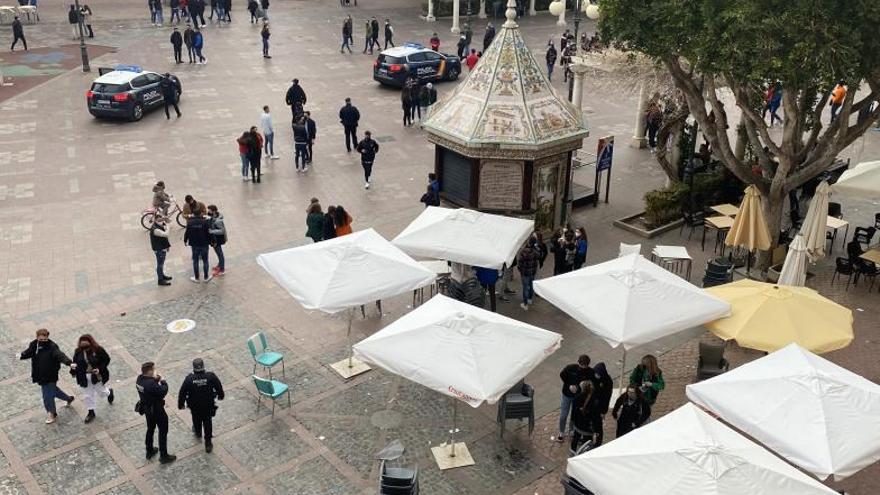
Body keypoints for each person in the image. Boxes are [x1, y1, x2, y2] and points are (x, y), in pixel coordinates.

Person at [19, 328, 75, 424]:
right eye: (41, 340)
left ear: (47, 337)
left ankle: (51, 413)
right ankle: (68, 398)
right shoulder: (34, 344)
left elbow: (60, 355)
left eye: (45, 339)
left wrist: (69, 363)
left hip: (50, 375)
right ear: (37, 338)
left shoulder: (52, 347)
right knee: (53, 391)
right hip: (39, 374)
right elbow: (29, 352)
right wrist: (21, 355)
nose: (43, 342)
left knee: (47, 396)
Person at [178, 358, 224, 453]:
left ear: (193, 368)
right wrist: (221, 396)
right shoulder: (210, 376)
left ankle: (198, 432)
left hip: (195, 406)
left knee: (196, 419)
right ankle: (208, 443)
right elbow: (218, 386)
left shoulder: (189, 379)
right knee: (207, 422)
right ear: (203, 366)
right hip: (208, 405)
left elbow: (182, 392)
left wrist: (181, 404)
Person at [136, 362, 176, 463]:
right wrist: (163, 381)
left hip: (147, 409)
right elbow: (162, 391)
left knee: (150, 429)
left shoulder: (139, 379)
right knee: (163, 431)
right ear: (149, 371)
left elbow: (149, 387)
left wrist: (155, 379)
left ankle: (149, 450)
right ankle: (164, 455)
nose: (154, 371)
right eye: (153, 370)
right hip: (157, 410)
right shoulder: (151, 384)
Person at [70, 334, 113, 424]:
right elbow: (75, 362)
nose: (85, 348)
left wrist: (99, 369)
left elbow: (106, 359)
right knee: (87, 395)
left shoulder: (98, 350)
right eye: (83, 346)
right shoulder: (78, 351)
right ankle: (91, 412)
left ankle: (109, 392)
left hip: (95, 376)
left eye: (87, 346)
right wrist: (73, 370)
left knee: (102, 392)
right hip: (83, 376)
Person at [556, 355, 593, 442]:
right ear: (578, 362)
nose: (583, 368)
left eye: (585, 366)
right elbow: (562, 375)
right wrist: (569, 385)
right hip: (567, 395)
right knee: (563, 415)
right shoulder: (570, 368)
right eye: (581, 365)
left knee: (574, 414)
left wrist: (579, 387)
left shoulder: (590, 372)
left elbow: (589, 383)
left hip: (578, 396)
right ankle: (561, 432)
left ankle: (571, 430)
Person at [570, 380, 602, 454]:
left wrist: (573, 422)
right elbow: (596, 417)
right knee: (587, 441)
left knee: (576, 438)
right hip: (588, 426)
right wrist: (597, 430)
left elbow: (573, 412)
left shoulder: (576, 398)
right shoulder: (594, 400)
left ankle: (573, 451)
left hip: (578, 424)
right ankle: (585, 453)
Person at [184, 208, 212, 283]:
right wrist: (213, 241)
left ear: (193, 214)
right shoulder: (205, 222)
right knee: (205, 261)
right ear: (200, 214)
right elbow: (209, 233)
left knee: (195, 261)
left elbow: (187, 232)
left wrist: (185, 240)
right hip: (204, 244)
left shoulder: (190, 222)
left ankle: (196, 278)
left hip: (194, 244)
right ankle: (206, 277)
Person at [150, 217, 172, 286]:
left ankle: (162, 275)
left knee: (161, 263)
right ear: (156, 220)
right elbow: (166, 234)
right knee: (160, 264)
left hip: (162, 248)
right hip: (159, 249)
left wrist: (167, 246)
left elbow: (164, 238)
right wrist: (168, 225)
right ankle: (160, 280)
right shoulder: (155, 229)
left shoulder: (159, 225)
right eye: (160, 220)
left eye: (162, 219)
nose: (162, 221)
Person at [516, 241, 537, 310]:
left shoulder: (522, 253)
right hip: (532, 272)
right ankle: (530, 299)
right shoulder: (534, 251)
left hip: (525, 273)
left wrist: (521, 271)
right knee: (531, 286)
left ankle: (525, 304)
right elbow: (539, 257)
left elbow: (519, 264)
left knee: (525, 288)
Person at [207, 205, 226, 276]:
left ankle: (222, 269)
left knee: (220, 254)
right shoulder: (213, 217)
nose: (208, 211)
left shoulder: (218, 221)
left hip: (218, 239)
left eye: (209, 210)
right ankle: (219, 265)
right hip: (214, 239)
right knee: (218, 253)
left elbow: (222, 231)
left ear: (213, 211)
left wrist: (212, 231)